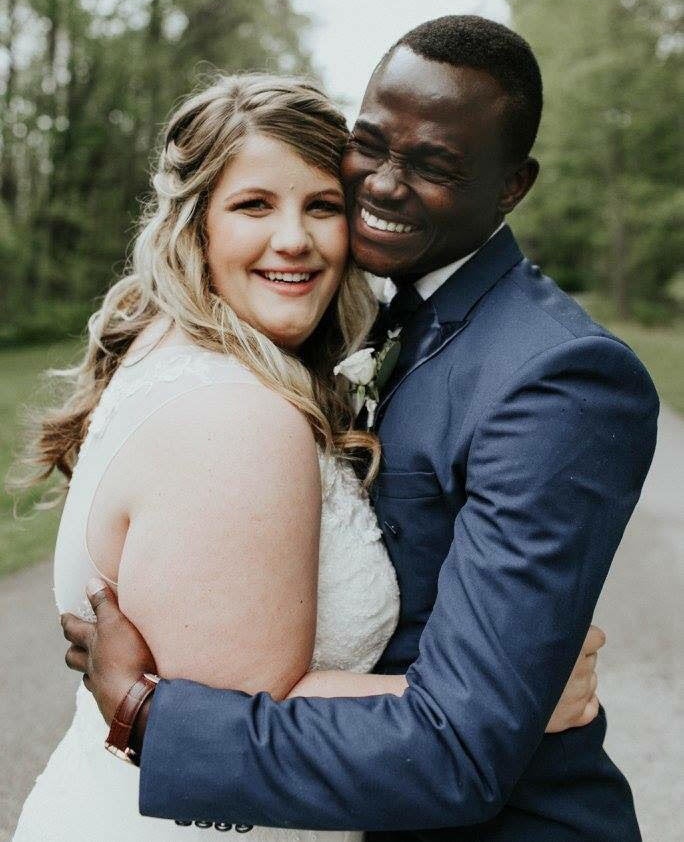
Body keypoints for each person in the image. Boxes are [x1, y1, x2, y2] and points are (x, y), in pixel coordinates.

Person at [13, 68, 600, 842]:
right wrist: (508, 704)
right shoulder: (239, 413)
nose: (293, 238)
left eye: (322, 206)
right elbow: (246, 726)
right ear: (198, 227)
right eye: (254, 204)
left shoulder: (178, 353)